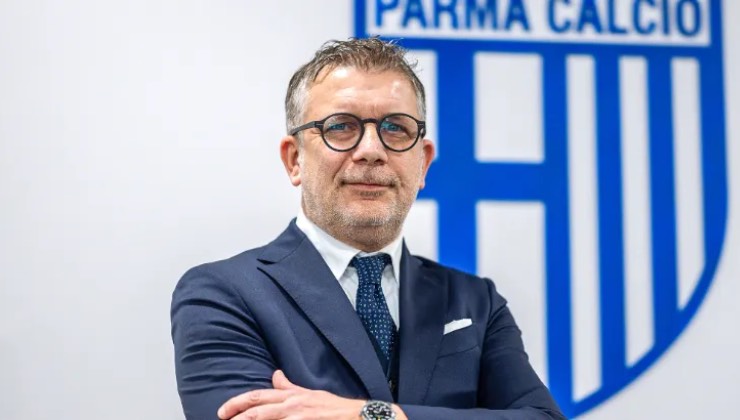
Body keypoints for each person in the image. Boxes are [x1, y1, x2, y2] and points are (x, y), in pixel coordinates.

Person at [171, 37, 565, 420]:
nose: (372, 150)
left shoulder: (475, 301)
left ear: (423, 163)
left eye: (395, 128)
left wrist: (370, 415)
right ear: (294, 160)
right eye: (341, 126)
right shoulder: (223, 296)